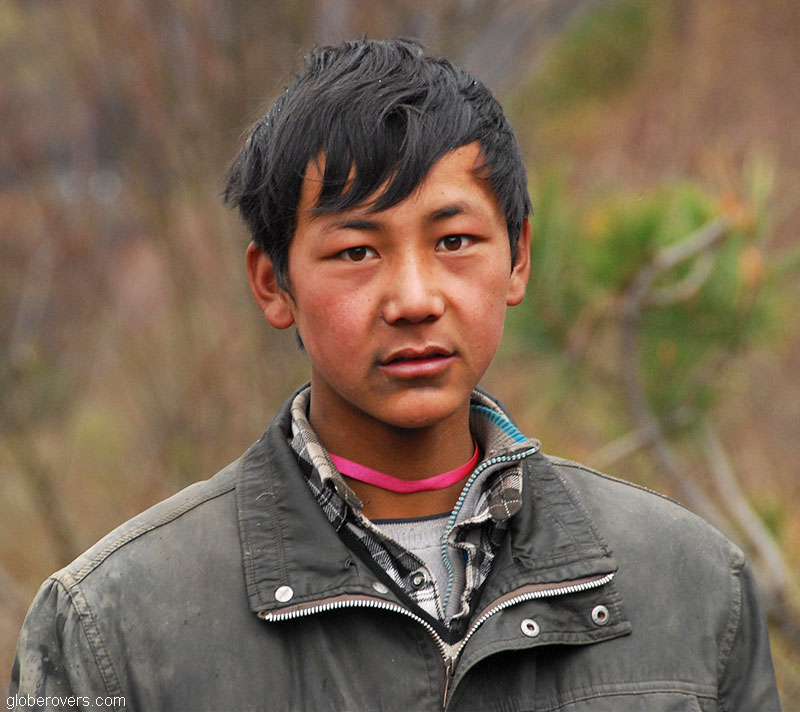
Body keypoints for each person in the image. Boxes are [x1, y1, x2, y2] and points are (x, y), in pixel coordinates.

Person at [9, 38, 780, 711]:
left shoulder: (690, 585)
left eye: (454, 241)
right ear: (273, 283)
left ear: (519, 257)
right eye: (357, 252)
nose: (414, 299)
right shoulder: (114, 626)